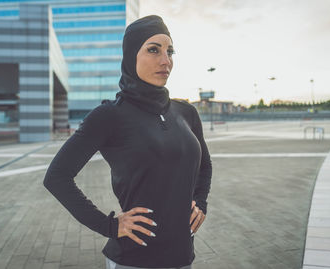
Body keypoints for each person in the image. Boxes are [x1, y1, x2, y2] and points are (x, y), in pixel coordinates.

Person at [43, 15, 212, 269]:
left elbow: (205, 166)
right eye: (153, 50)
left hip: (183, 256)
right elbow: (57, 177)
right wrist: (109, 225)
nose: (166, 61)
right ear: (132, 54)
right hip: (134, 260)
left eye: (170, 51)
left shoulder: (186, 112)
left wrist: (200, 203)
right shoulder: (109, 115)